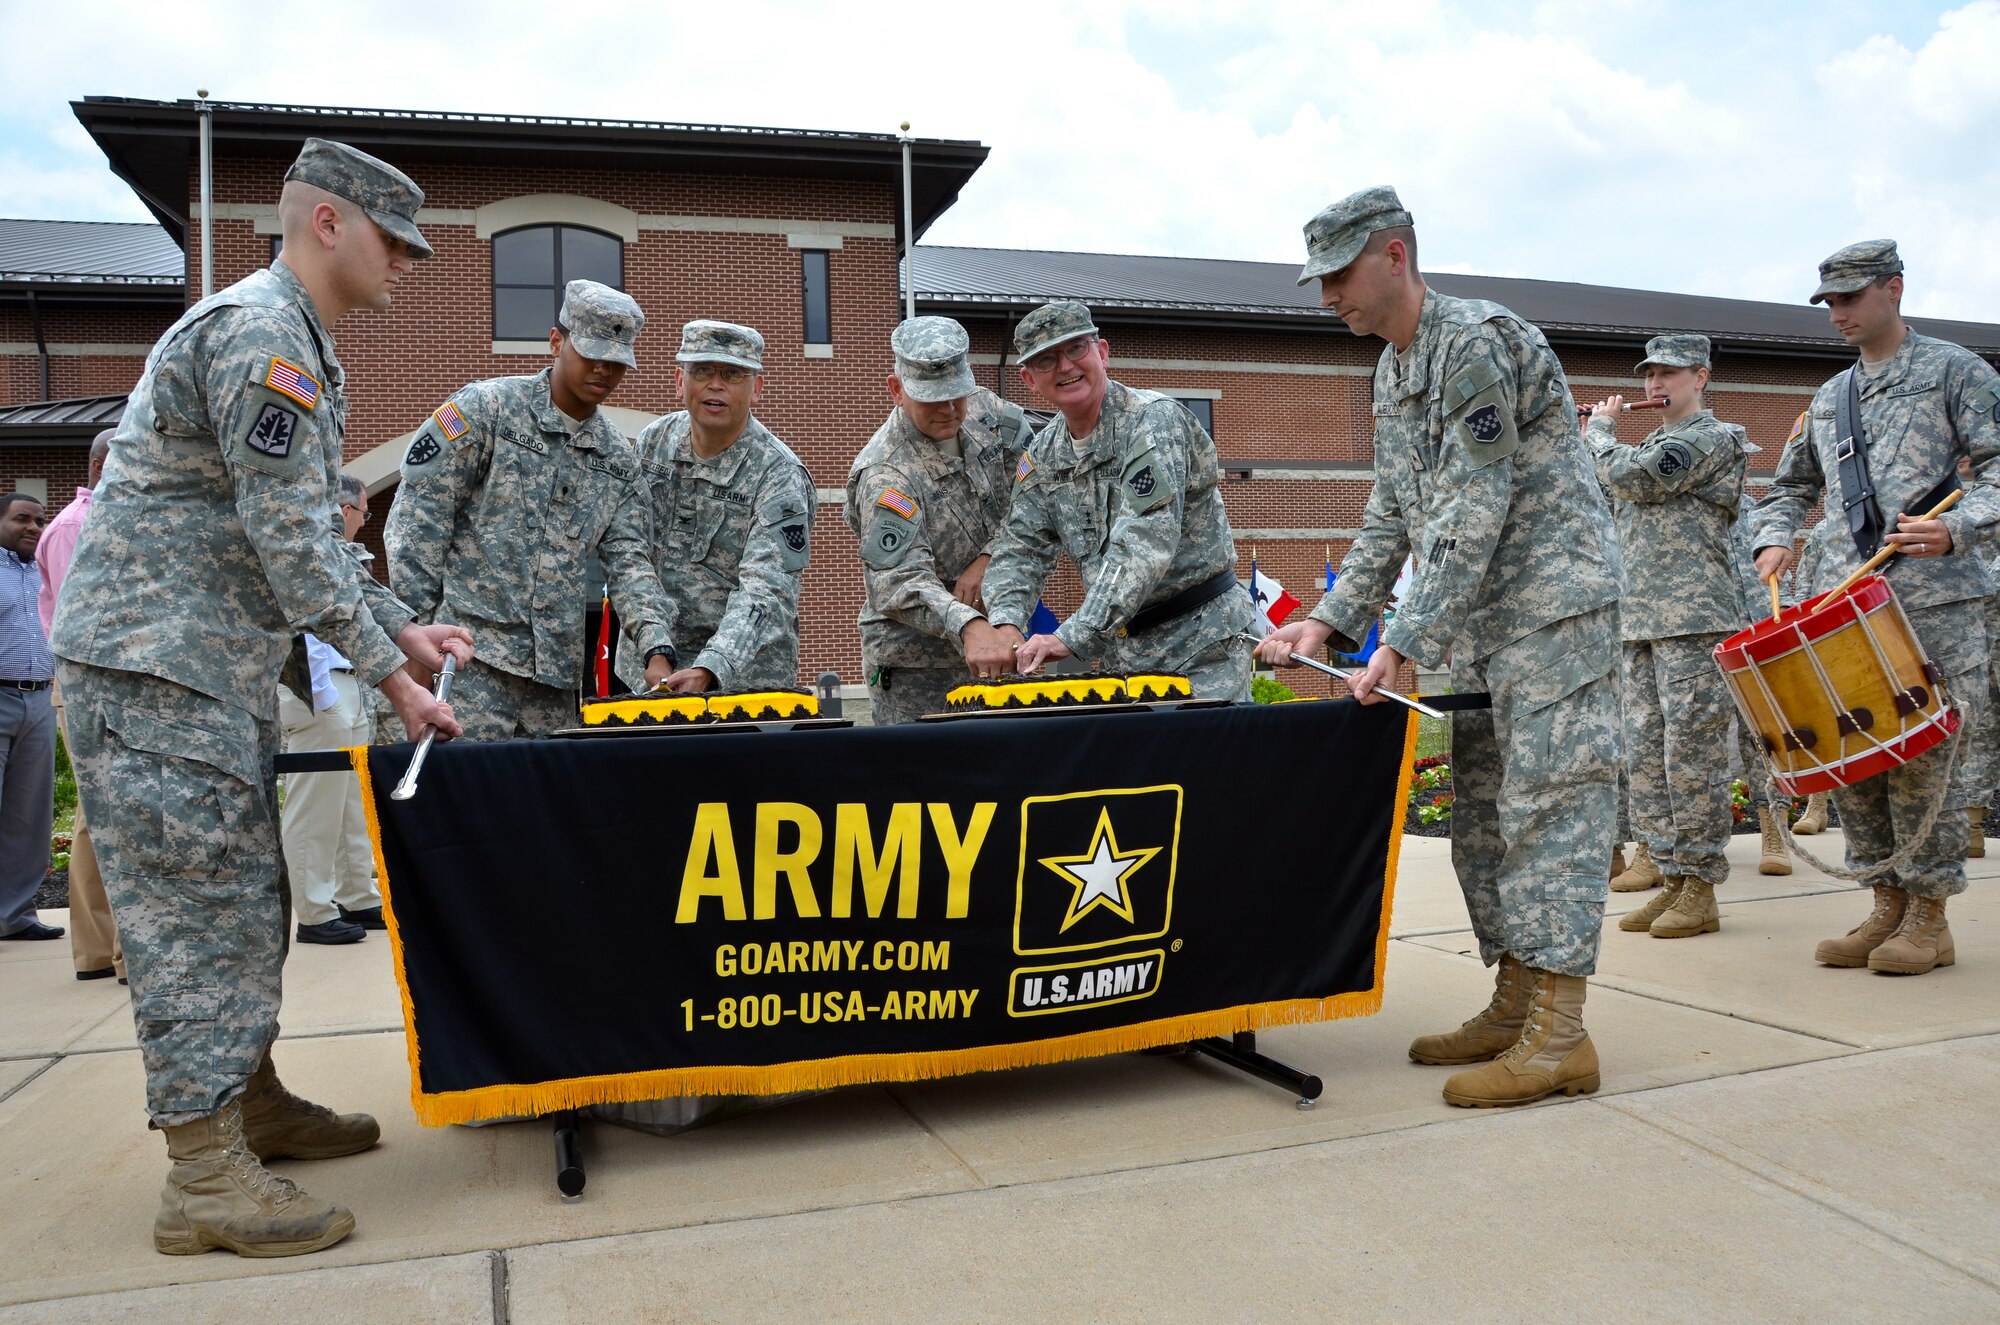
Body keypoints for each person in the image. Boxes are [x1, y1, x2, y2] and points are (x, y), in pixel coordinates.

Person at [50, 138, 471, 1259]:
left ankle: (250, 1098)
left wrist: (398, 632)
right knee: (196, 915)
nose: (411, 264)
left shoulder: (296, 339)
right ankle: (202, 1172)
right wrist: (393, 675)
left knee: (243, 897)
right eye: (396, 239)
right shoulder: (260, 334)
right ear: (327, 222)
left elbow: (300, 543)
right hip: (155, 666)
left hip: (199, 664)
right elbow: (291, 539)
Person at [1256, 186, 1622, 1107]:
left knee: (1552, 812)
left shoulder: (1474, 342)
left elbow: (1473, 501)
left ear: (1393, 255)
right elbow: (1394, 510)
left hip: (1554, 609)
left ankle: (1560, 1035)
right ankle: (1516, 997)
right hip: (1491, 622)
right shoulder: (1392, 368)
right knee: (1486, 818)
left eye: (1338, 274)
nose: (1326, 294)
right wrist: (1335, 619)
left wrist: (1406, 638)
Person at [1752, 239, 1998, 976]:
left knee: (1925, 751)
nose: (1839, 312)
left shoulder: (1958, 371)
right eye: (1830, 301)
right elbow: (1791, 485)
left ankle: (1930, 914)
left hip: (1933, 597)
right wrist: (1774, 540)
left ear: (1895, 288)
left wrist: (1958, 527)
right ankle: (1883, 899)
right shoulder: (1830, 398)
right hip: (1841, 599)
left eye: (1851, 297)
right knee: (1852, 748)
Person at [385, 280, 677, 739]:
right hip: (464, 665)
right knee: (451, 804)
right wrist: (415, 637)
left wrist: (655, 647)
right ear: (556, 341)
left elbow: (631, 564)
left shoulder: (619, 460)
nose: (603, 369)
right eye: (591, 353)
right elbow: (418, 525)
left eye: (616, 362)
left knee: (538, 809)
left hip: (552, 686)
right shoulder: (488, 410)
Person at [971, 301, 1254, 697]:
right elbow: (1021, 548)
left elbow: (1143, 543)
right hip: (1123, 653)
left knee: (1207, 758)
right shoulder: (1043, 455)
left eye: (1076, 349)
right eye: (1046, 360)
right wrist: (1006, 623)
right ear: (1029, 380)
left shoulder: (1152, 422)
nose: (1065, 367)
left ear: (1101, 352)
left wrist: (1072, 636)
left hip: (1201, 647)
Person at [1586, 335, 1750, 939]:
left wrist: (1600, 434)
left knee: (1691, 756)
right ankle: (1674, 876)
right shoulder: (1650, 441)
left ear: (1701, 377)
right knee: (1649, 755)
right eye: (1650, 375)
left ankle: (1701, 884)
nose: (1656, 385)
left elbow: (1636, 478)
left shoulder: (1712, 438)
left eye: (1670, 374)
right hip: (1639, 621)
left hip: (1694, 618)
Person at [845, 316, 1033, 724]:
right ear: (897, 390)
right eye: (933, 398)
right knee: (924, 781)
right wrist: (970, 625)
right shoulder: (884, 473)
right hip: (917, 670)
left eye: (957, 393)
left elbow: (1037, 498)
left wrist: (989, 557)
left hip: (1004, 640)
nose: (950, 409)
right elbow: (899, 582)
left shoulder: (990, 413)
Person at [616, 321, 814, 693]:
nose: (716, 384)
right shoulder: (652, 444)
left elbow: (767, 588)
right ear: (679, 381)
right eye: (702, 371)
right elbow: (629, 552)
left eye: (733, 374)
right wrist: (654, 648)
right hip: (649, 671)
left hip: (745, 681)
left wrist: (712, 666)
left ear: (757, 389)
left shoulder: (779, 474)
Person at [279, 476, 387, 945]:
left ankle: (357, 895)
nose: (363, 523)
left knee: (349, 804)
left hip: (348, 683)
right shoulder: (309, 552)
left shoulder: (339, 554)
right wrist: (319, 693)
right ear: (345, 510)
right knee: (315, 805)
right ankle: (314, 910)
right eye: (364, 514)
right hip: (319, 687)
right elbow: (307, 631)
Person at [35, 431, 122, 976]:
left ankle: (99, 951)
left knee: (102, 813)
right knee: (104, 812)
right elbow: (80, 623)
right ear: (98, 464)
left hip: (110, 681)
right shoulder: (74, 527)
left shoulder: (111, 518)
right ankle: (108, 951)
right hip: (90, 680)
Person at [0, 492, 61, 944]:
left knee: (29, 816)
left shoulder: (43, 569)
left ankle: (14, 915)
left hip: (39, 701)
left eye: (40, 520)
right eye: (22, 519)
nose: (34, 528)